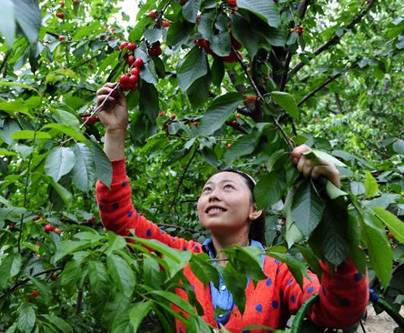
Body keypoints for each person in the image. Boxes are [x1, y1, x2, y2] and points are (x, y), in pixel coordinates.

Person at [94, 83, 368, 332]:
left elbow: (339, 311)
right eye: (207, 190)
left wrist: (333, 210)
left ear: (255, 209)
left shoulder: (278, 270)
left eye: (228, 188)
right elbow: (119, 218)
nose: (213, 195)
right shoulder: (181, 258)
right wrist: (115, 132)